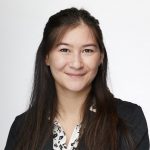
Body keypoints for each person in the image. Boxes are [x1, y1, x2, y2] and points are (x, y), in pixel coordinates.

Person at [5, 7, 149, 150]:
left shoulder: (129, 119)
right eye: (64, 50)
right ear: (46, 56)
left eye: (87, 50)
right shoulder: (22, 127)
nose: (76, 63)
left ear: (101, 57)